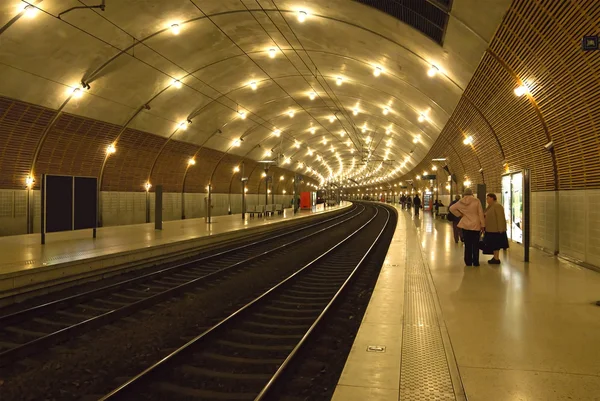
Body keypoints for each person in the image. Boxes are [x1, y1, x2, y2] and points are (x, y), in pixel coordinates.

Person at [449, 188, 485, 266]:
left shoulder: (461, 201)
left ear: (464, 194)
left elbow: (451, 208)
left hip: (465, 225)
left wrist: (460, 214)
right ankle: (475, 261)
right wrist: (483, 225)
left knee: (467, 244)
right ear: (472, 193)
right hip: (476, 225)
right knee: (475, 244)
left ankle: (468, 261)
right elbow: (480, 213)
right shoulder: (476, 201)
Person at [484, 193, 509, 264]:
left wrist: (501, 229)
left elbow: (500, 218)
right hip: (491, 229)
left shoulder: (497, 206)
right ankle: (495, 257)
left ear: (492, 198)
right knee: (493, 244)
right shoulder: (490, 206)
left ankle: (496, 258)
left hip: (496, 230)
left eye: (488, 198)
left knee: (496, 245)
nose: (487, 200)